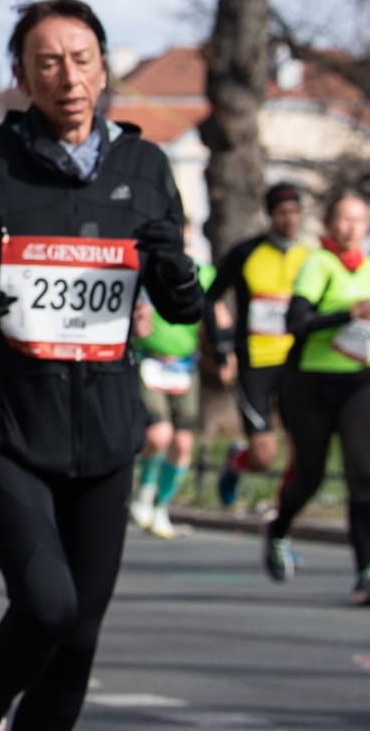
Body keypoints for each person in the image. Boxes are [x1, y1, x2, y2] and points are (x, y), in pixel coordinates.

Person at [0, 0, 205, 731]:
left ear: (105, 68)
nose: (67, 76)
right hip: (8, 419)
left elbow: (180, 307)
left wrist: (178, 274)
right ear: (22, 76)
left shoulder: (145, 165)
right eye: (48, 62)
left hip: (105, 424)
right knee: (48, 606)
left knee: (79, 635)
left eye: (81, 58)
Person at [261, 190, 370, 603]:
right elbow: (297, 322)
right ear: (328, 223)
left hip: (359, 383)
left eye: (358, 221)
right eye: (343, 219)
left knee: (361, 473)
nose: (351, 228)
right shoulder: (317, 265)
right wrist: (346, 314)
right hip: (310, 383)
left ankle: (367, 571)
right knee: (310, 475)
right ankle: (279, 526)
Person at [208, 183, 312, 506]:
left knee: (302, 447)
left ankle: (282, 513)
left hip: (296, 362)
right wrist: (222, 350)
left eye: (295, 213)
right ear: (270, 216)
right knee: (264, 455)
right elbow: (210, 298)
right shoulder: (245, 253)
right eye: (283, 213)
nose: (290, 220)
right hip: (254, 363)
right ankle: (236, 461)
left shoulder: (310, 258)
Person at [127, 225, 208, 541]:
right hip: (152, 362)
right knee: (159, 434)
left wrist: (223, 346)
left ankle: (162, 506)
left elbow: (207, 311)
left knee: (183, 443)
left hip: (185, 366)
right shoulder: (146, 270)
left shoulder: (203, 272)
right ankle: (144, 494)